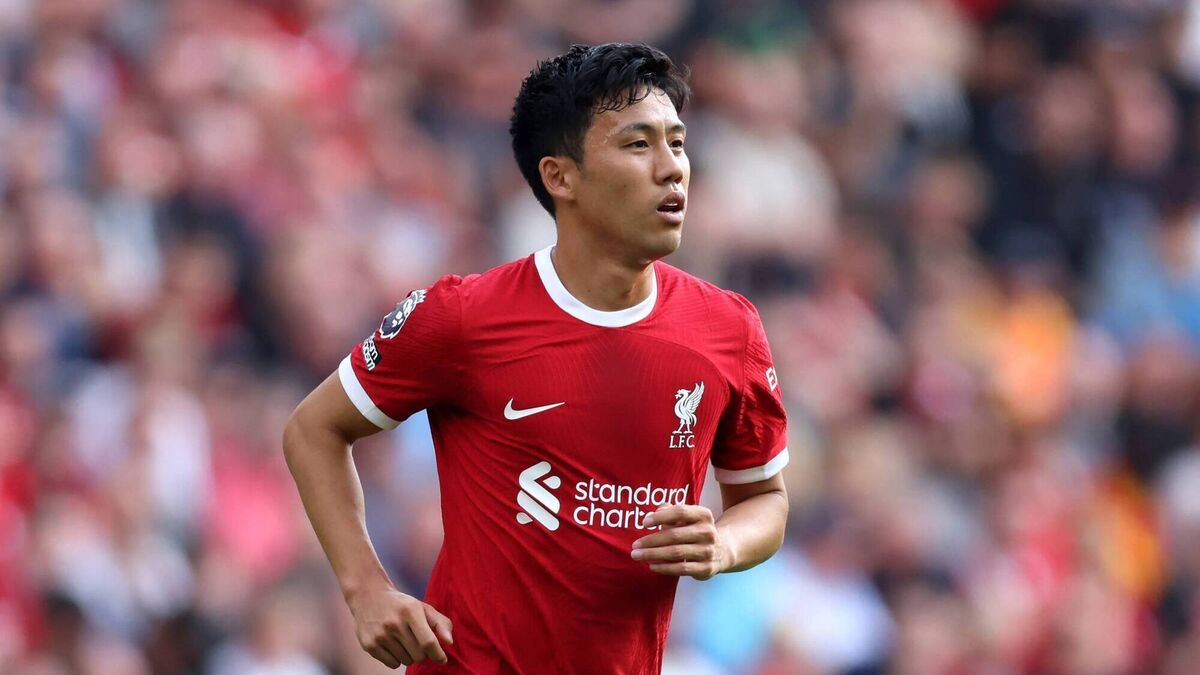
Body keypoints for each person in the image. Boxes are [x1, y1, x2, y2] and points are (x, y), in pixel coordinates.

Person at [283, 43, 790, 674]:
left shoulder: (729, 329)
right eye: (639, 145)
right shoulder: (462, 316)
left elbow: (765, 499)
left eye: (677, 142)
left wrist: (724, 545)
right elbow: (313, 429)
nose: (673, 169)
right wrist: (365, 590)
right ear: (560, 177)